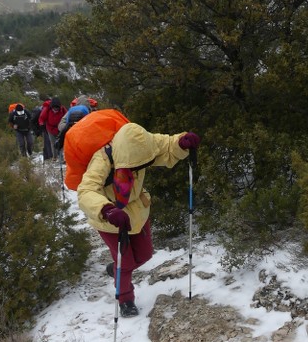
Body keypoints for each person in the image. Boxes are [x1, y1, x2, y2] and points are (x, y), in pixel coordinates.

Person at [77, 122, 200, 317]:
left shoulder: (144, 143)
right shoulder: (101, 158)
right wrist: (106, 209)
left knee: (145, 255)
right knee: (125, 263)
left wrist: (181, 143)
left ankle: (116, 270)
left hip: (137, 211)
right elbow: (86, 191)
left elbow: (166, 144)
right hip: (111, 219)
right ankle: (126, 299)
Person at [38, 96, 66, 163]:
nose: (56, 110)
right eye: (54, 108)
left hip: (60, 128)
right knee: (53, 143)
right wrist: (41, 124)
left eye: (57, 108)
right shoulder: (47, 109)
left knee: (61, 142)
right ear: (51, 107)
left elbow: (67, 116)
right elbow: (41, 118)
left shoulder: (63, 109)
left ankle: (62, 157)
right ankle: (55, 157)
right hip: (50, 128)